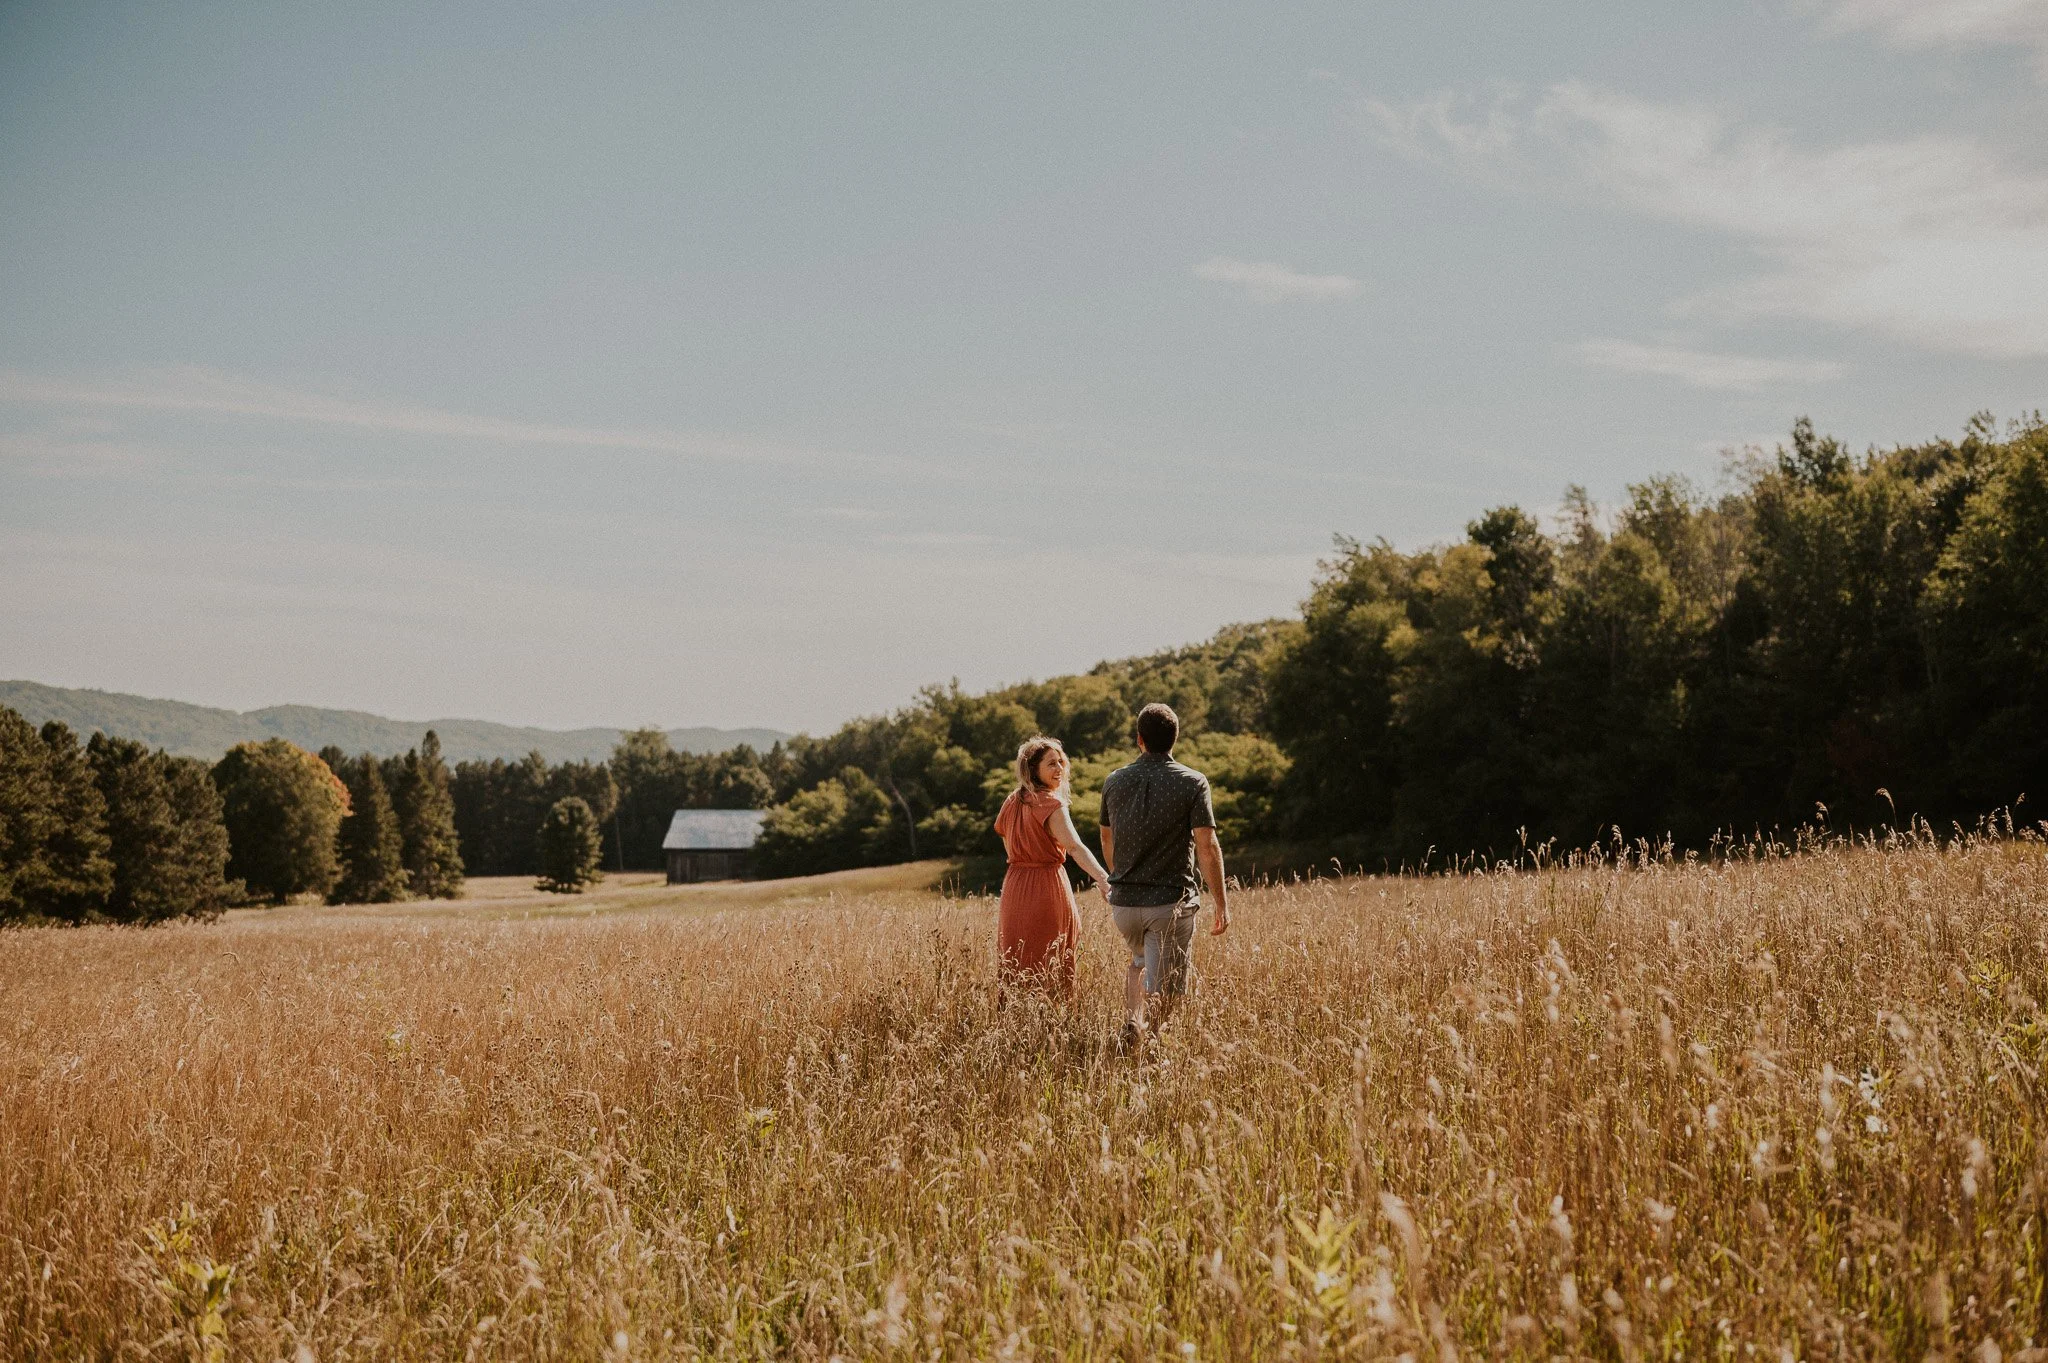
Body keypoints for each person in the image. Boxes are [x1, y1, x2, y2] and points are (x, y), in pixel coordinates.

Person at [1099, 703, 1230, 1052]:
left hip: (1123, 904)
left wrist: (1120, 878)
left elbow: (1106, 839)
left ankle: (1132, 1024)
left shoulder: (1114, 781)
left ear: (1139, 739)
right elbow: (1207, 846)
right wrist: (1221, 902)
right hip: (1169, 903)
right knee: (1166, 985)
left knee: (1139, 963)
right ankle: (1153, 1048)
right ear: (1175, 738)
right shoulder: (1192, 782)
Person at [993, 736, 1111, 1001]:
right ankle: (1053, 1026)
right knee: (1052, 959)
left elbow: (1009, 847)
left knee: (1017, 959)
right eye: (1051, 764)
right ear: (1033, 769)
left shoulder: (1011, 802)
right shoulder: (1051, 803)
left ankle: (1016, 1027)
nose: (1059, 769)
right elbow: (1075, 847)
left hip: (1014, 886)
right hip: (1047, 885)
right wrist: (1104, 880)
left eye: (1061, 762)